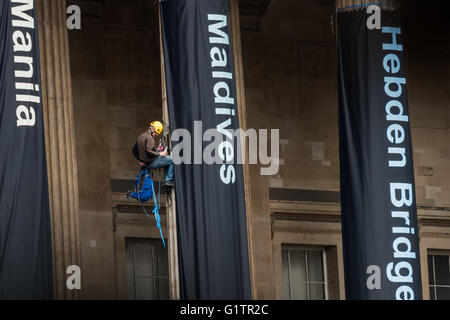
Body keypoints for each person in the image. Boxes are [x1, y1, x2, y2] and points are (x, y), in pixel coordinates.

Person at [133, 121, 174, 188]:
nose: (156, 135)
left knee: (167, 161)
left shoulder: (141, 136)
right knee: (172, 159)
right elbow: (149, 152)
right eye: (156, 133)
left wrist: (140, 161)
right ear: (153, 129)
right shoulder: (150, 138)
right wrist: (160, 154)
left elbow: (134, 151)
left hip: (146, 163)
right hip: (151, 162)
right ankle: (168, 180)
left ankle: (166, 181)